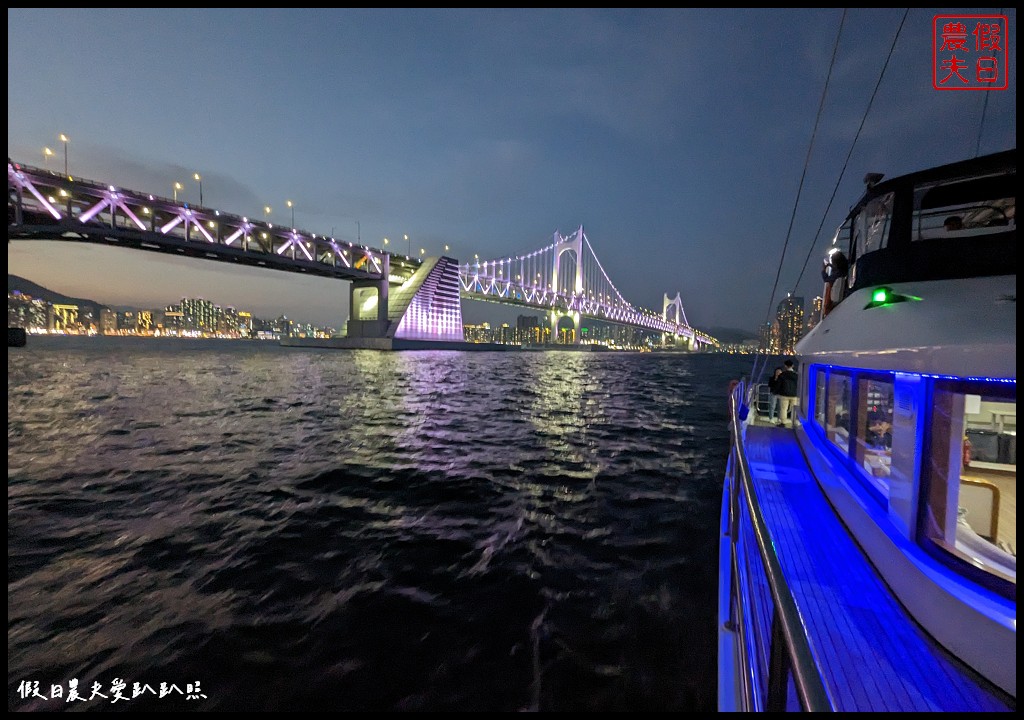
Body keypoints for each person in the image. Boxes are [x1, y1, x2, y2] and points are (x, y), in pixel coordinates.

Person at [775, 359, 799, 427]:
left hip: (784, 394)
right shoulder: (796, 375)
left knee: (783, 409)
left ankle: (783, 422)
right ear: (793, 366)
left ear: (785, 366)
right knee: (794, 409)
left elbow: (778, 385)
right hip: (794, 394)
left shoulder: (782, 375)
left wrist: (776, 392)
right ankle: (794, 423)